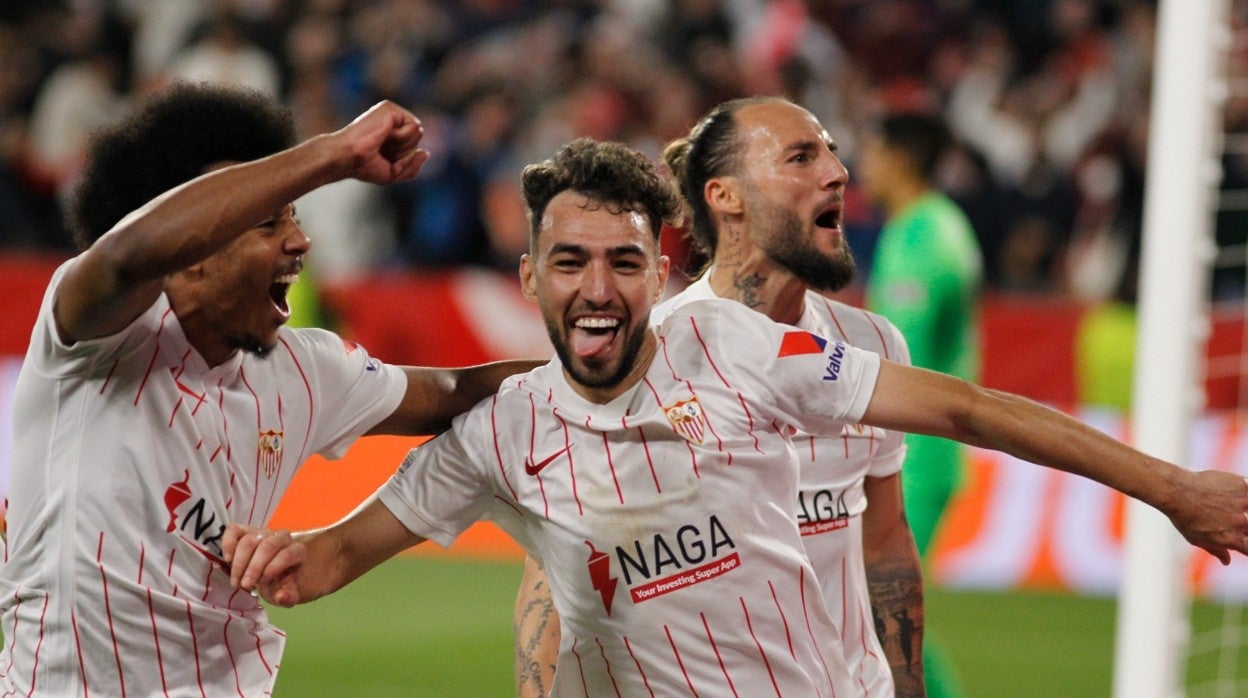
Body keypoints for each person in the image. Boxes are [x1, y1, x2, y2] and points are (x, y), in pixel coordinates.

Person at [226, 137, 1248, 695]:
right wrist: (251, 552)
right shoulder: (501, 434)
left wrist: (1172, 487)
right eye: (570, 261)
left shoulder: (741, 351)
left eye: (624, 261)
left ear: (657, 271)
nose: (598, 286)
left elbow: (969, 408)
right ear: (531, 275)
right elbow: (322, 561)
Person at [0, 82, 534, 697]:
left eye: (296, 217)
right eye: (267, 222)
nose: (300, 242)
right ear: (191, 250)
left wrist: (613, 367)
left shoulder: (304, 370)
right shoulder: (89, 344)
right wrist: (332, 154)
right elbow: (126, 257)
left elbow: (455, 389)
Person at [516, 95, 923, 698]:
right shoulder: (642, 356)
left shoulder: (871, 343)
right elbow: (557, 578)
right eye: (802, 156)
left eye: (833, 153)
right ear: (726, 196)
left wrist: (907, 686)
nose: (838, 172)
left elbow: (885, 539)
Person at [860, 111, 984, 698]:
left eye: (872, 150)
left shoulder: (926, 238)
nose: (861, 165)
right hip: (914, 451)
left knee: (884, 607)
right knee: (878, 608)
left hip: (919, 454)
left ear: (898, 157)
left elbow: (898, 356)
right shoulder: (921, 225)